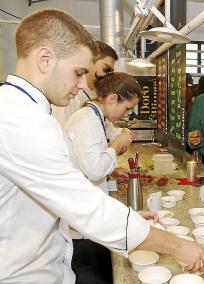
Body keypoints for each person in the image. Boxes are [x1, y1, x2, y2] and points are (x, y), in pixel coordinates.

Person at [0, 9, 204, 284]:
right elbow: (84, 205)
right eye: (78, 73)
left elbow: (68, 189)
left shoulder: (27, 113)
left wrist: (128, 216)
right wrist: (178, 245)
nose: (81, 85)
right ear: (44, 59)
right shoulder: (18, 120)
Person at [64, 72, 141, 283]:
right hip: (80, 226)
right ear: (113, 98)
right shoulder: (86, 119)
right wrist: (117, 145)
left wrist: (113, 170)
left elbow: (88, 160)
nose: (126, 114)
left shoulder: (96, 116)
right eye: (126, 108)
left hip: (90, 215)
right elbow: (94, 169)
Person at [52, 40, 118, 130]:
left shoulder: (96, 94)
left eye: (110, 73)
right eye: (106, 69)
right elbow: (61, 132)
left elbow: (106, 127)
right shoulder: (69, 93)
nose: (107, 76)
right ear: (91, 61)